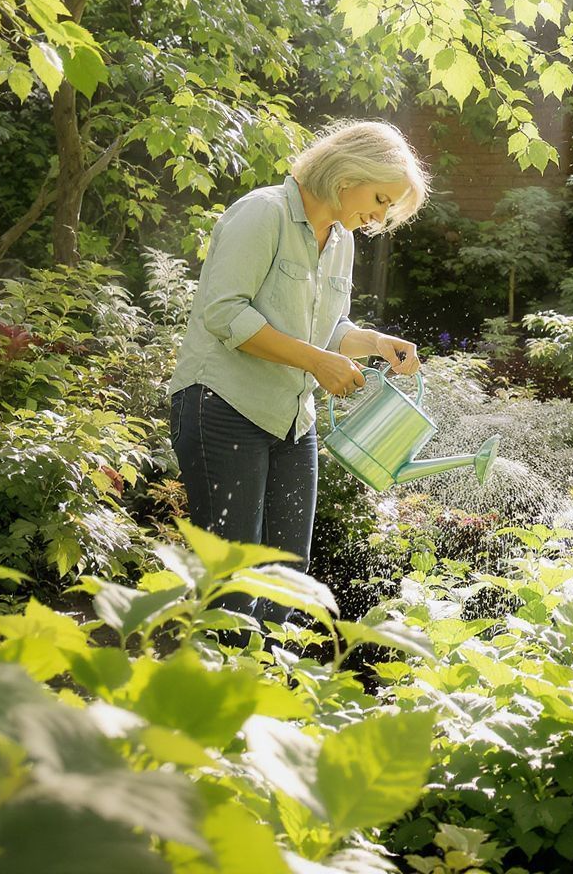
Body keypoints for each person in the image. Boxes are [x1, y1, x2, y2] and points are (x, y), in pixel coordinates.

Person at [168, 119, 429, 626]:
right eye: (379, 198)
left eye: (387, 208)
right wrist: (316, 361)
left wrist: (375, 343)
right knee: (234, 584)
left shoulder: (341, 240)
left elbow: (326, 329)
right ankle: (221, 694)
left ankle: (280, 696)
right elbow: (224, 315)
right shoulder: (262, 213)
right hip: (222, 405)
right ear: (346, 173)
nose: (378, 216)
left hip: (292, 420)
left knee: (289, 581)